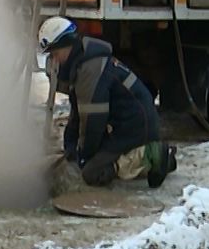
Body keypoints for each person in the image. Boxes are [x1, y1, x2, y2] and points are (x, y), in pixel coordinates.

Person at [39, 16, 177, 188]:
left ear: (67, 45)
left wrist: (84, 157)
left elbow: (93, 123)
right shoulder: (82, 64)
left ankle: (152, 154)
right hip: (124, 125)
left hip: (136, 127)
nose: (54, 60)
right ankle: (155, 160)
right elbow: (78, 114)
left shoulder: (90, 70)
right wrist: (70, 147)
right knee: (91, 159)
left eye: (55, 54)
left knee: (92, 173)